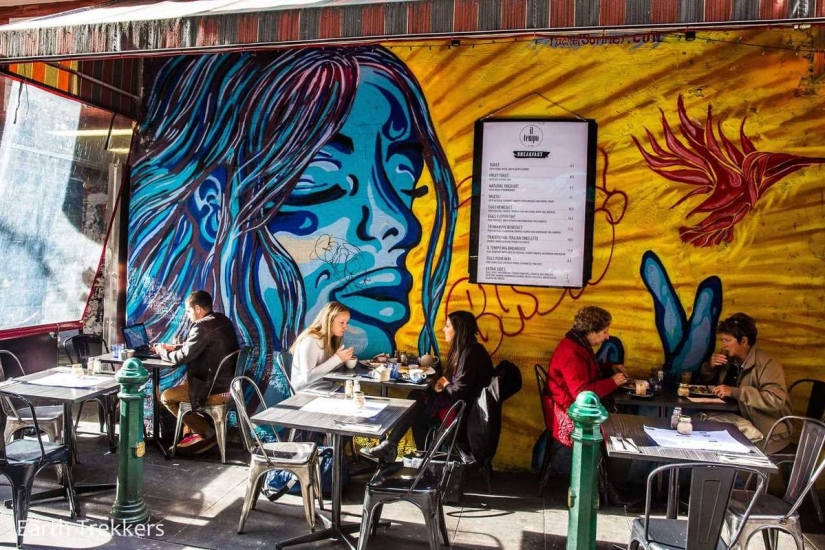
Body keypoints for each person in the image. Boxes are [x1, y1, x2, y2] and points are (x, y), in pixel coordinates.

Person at [126, 47, 458, 401]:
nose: (398, 224)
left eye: (403, 177)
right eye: (321, 176)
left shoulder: (322, 341)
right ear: (212, 212)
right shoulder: (308, 343)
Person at [360, 310, 494, 463]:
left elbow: (459, 392)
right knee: (416, 402)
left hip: (462, 414)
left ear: (459, 330)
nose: (443, 329)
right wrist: (442, 381)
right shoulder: (466, 350)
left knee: (416, 403)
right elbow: (459, 382)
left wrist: (444, 383)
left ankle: (398, 449)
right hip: (458, 407)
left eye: (447, 326)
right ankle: (413, 455)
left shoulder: (471, 353)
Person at [153, 290, 240, 455]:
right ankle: (195, 433)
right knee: (180, 390)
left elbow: (182, 358)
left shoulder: (201, 326)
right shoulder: (222, 320)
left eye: (188, 311)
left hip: (212, 389)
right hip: (227, 385)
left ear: (198, 308)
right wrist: (175, 347)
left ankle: (206, 432)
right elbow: (198, 346)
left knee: (167, 397)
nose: (187, 315)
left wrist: (161, 351)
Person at [545, 306, 628, 476]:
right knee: (621, 428)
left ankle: (607, 483)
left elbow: (585, 372)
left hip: (570, 405)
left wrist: (610, 368)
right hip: (569, 412)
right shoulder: (572, 352)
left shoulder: (578, 344)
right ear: (591, 331)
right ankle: (607, 484)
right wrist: (613, 382)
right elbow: (582, 394)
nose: (607, 336)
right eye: (604, 331)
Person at [698, 312, 793, 453]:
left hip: (768, 433)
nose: (724, 345)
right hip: (740, 422)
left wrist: (734, 391)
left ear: (743, 341)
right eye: (722, 340)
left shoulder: (767, 364)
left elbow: (776, 399)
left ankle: (733, 475)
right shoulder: (730, 359)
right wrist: (710, 366)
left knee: (721, 450)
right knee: (701, 428)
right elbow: (707, 381)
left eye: (727, 340)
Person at [290, 301, 355, 394]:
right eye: (342, 323)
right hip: (308, 392)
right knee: (355, 398)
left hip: (326, 387)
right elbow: (308, 377)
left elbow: (328, 367)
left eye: (346, 322)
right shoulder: (311, 340)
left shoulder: (331, 338)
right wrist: (337, 359)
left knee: (358, 396)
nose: (345, 327)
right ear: (329, 321)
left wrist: (344, 359)